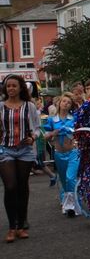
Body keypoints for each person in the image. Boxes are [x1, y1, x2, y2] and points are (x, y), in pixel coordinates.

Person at [0, 74, 40, 242]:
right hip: (5, 149)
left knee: (22, 186)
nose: (11, 89)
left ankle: (22, 224)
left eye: (14, 86)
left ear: (20, 87)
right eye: (8, 86)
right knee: (10, 187)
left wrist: (33, 137)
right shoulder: (0, 106)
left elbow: (38, 128)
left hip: (25, 150)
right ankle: (11, 227)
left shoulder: (29, 106)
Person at [42, 92, 79, 218]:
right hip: (59, 154)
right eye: (64, 101)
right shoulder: (52, 120)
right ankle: (66, 201)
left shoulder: (73, 118)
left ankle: (72, 205)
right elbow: (45, 137)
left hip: (73, 152)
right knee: (64, 180)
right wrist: (53, 133)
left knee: (70, 178)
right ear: (59, 103)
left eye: (69, 102)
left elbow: (79, 133)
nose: (66, 104)